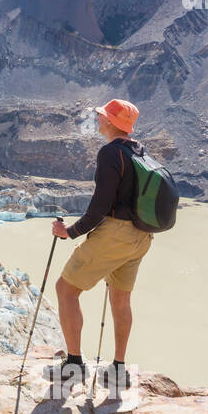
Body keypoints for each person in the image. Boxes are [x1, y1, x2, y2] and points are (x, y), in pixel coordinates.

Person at [49, 98, 151, 389]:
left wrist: (71, 232)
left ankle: (74, 365)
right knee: (121, 299)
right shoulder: (139, 151)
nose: (98, 119)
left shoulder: (110, 153)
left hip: (115, 234)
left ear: (112, 122)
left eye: (103, 116)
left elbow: (100, 205)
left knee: (66, 289)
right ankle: (118, 369)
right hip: (141, 237)